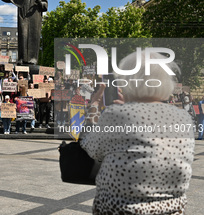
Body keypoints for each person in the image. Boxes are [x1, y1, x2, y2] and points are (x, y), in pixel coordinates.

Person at [80, 51, 195, 214]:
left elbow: (89, 147)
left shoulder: (116, 114)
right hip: (171, 210)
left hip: (121, 209)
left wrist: (94, 104)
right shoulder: (183, 117)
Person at [0, 0, 48, 64]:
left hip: (35, 19)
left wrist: (41, 3)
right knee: (23, 36)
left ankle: (33, 59)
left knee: (34, 37)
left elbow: (45, 5)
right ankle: (22, 58)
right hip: (23, 17)